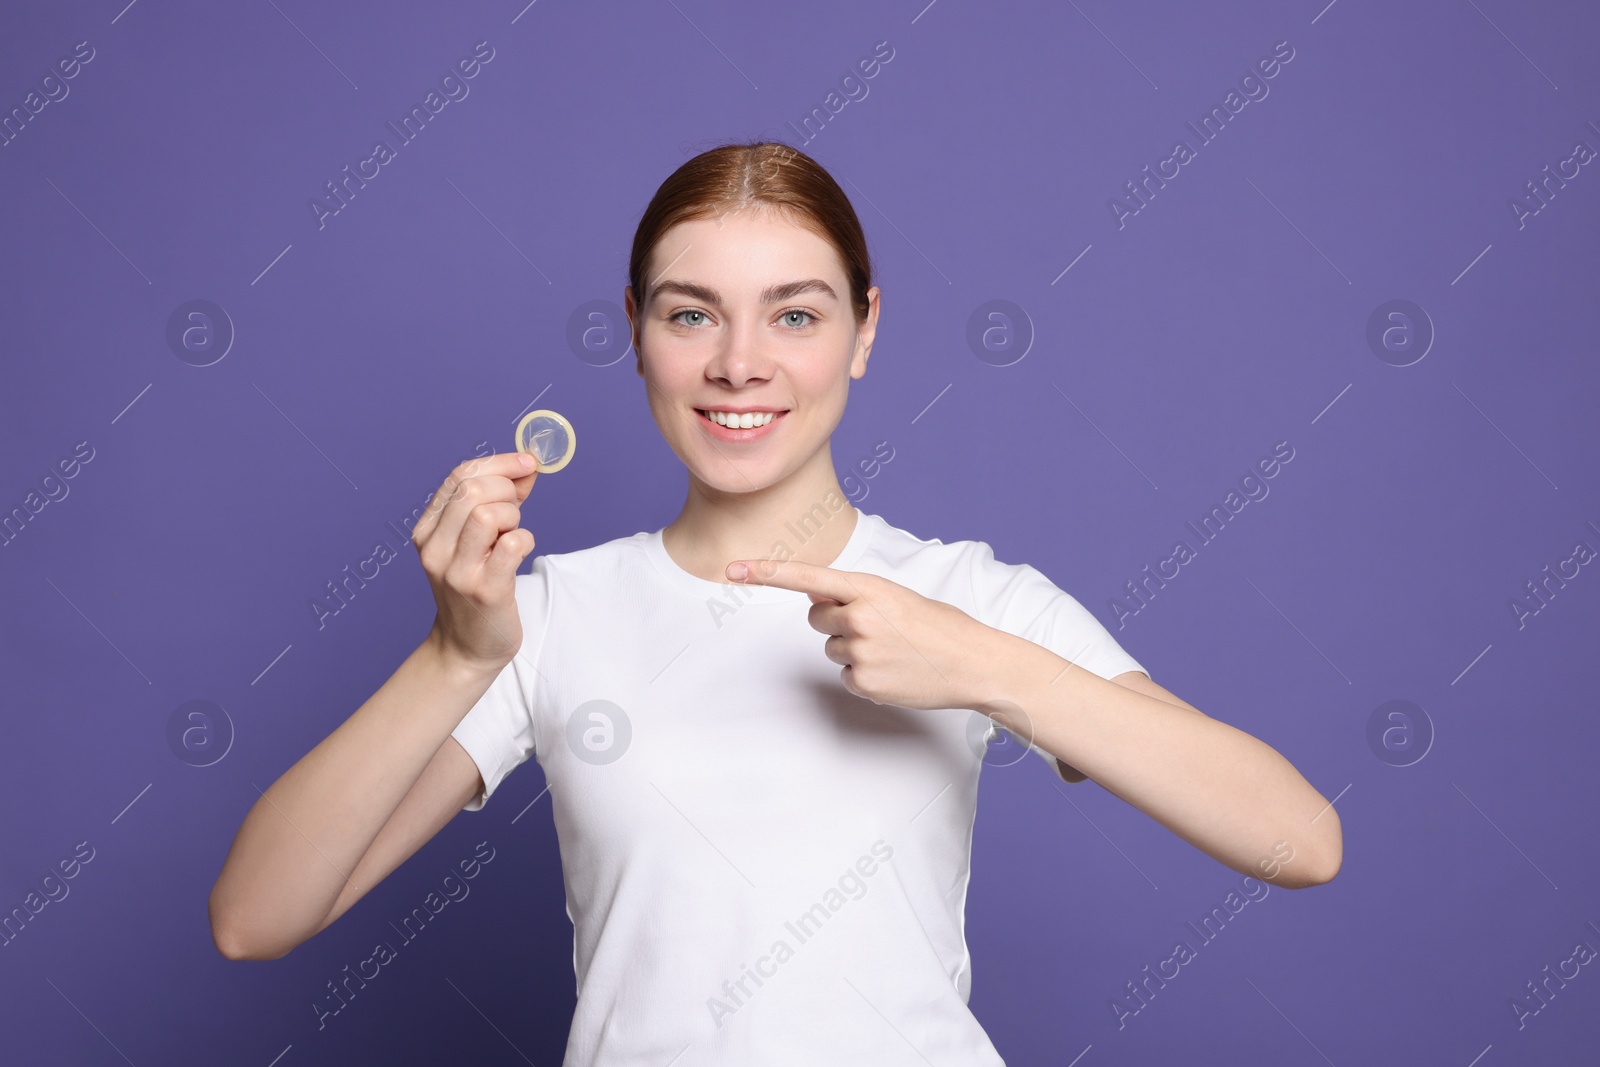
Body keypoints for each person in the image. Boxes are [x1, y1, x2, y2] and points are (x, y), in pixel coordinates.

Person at [209, 141, 1342, 1064]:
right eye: (691, 314)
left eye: (794, 315)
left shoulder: (966, 598)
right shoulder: (550, 613)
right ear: (637, 332)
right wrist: (456, 654)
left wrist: (989, 667)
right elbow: (254, 916)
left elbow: (1298, 837)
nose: (738, 363)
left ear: (865, 330)